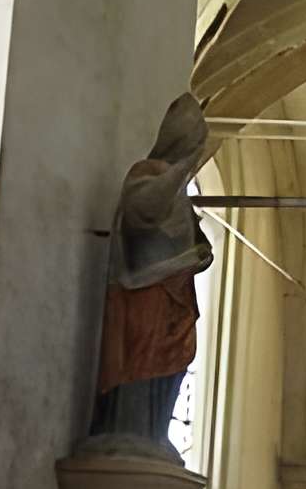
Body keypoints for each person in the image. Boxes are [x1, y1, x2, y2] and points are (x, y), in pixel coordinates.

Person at [89, 93, 213, 458]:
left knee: (173, 358)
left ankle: (154, 429)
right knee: (140, 356)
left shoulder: (178, 190)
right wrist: (178, 172)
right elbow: (143, 211)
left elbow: (190, 239)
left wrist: (201, 251)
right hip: (145, 289)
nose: (197, 150)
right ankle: (128, 426)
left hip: (175, 293)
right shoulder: (148, 173)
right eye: (194, 142)